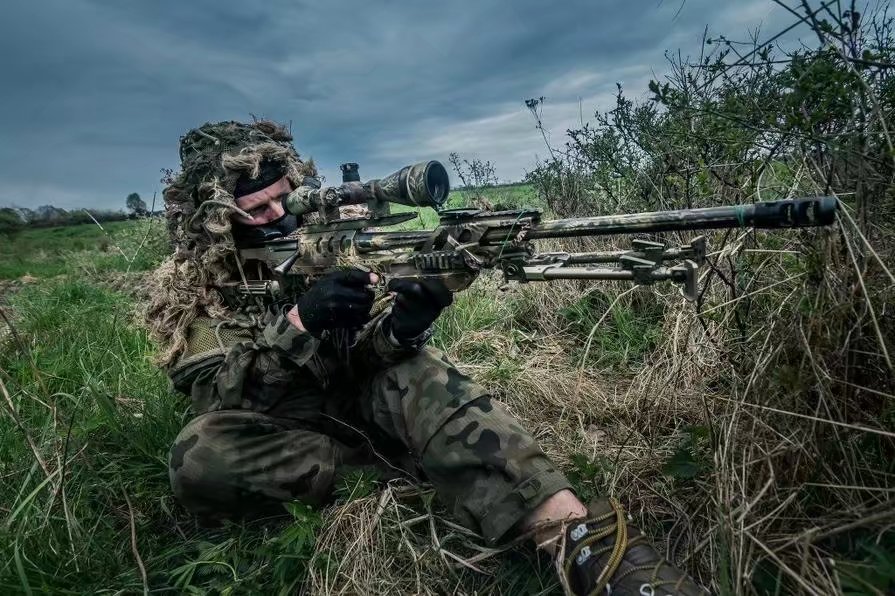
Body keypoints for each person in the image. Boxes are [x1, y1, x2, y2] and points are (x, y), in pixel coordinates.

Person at [146, 120, 707, 595]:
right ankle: (419, 480)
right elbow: (219, 398)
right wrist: (299, 323)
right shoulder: (196, 287)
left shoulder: (327, 245)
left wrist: (402, 330)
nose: (279, 216)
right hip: (286, 435)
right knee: (199, 456)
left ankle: (581, 542)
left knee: (417, 370)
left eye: (284, 197)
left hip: (359, 410)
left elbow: (368, 361)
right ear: (216, 217)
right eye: (256, 209)